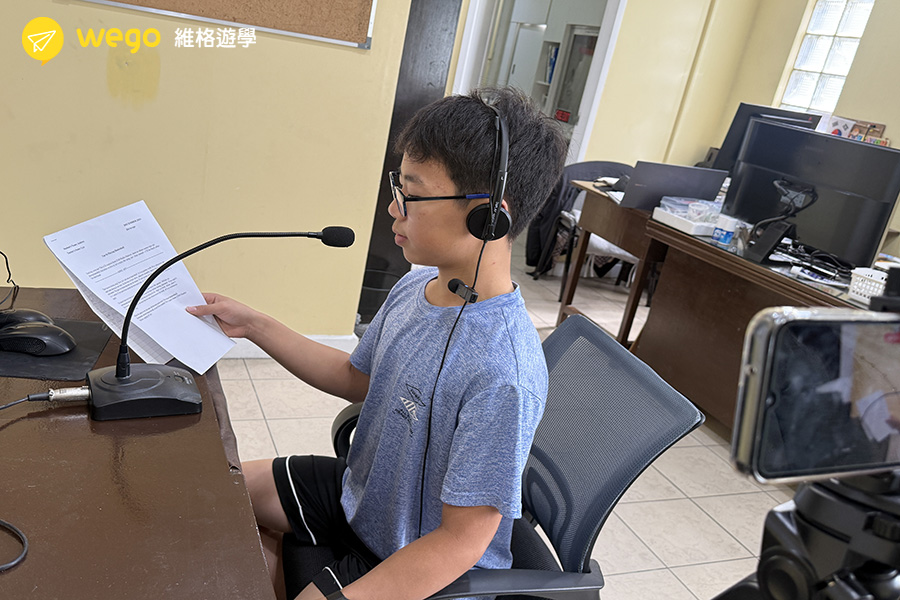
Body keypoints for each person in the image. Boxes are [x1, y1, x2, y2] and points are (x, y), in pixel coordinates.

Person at [187, 87, 567, 600]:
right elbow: (357, 378)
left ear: (487, 217)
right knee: (212, 492)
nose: (393, 207)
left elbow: (460, 542)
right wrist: (254, 325)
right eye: (398, 186)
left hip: (410, 555)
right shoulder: (418, 286)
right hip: (361, 497)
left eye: (412, 193)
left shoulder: (503, 372)